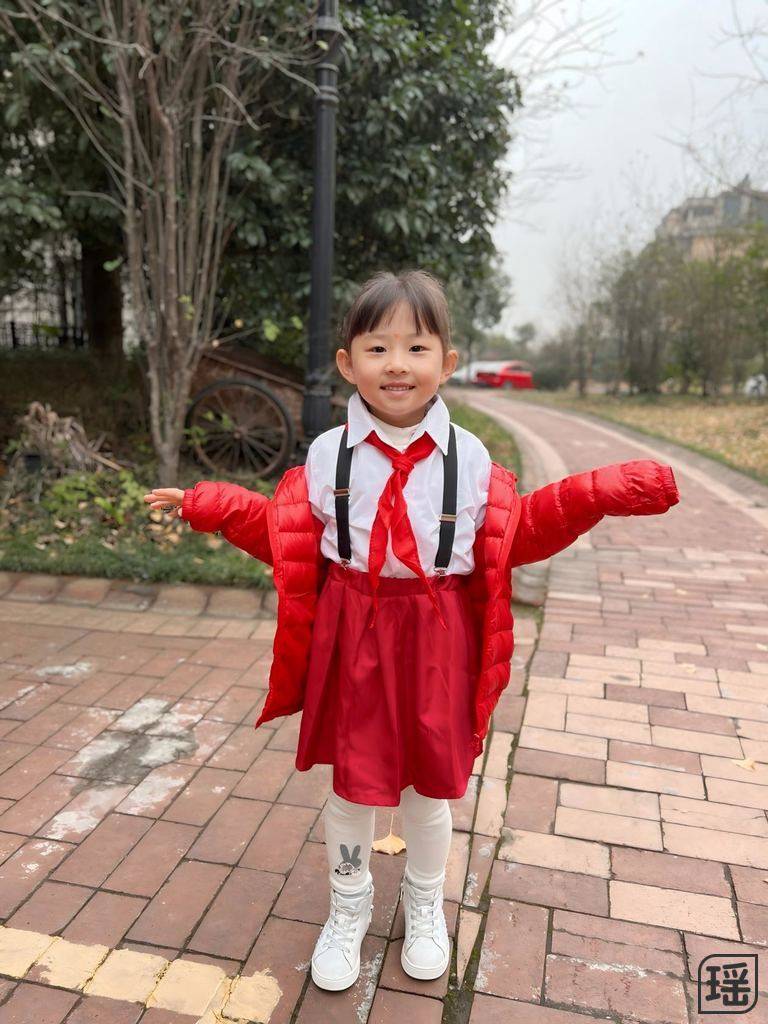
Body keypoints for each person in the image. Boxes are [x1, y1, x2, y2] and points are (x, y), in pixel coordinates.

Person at [143, 268, 680, 993]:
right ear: (348, 363)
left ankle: (426, 903)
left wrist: (602, 492)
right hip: (353, 629)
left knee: (431, 789)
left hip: (438, 633)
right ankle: (349, 904)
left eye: (417, 347)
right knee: (352, 788)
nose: (397, 364)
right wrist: (211, 504)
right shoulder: (329, 455)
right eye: (377, 348)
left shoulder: (472, 459)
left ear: (446, 363)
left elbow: (516, 534)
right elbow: (285, 535)